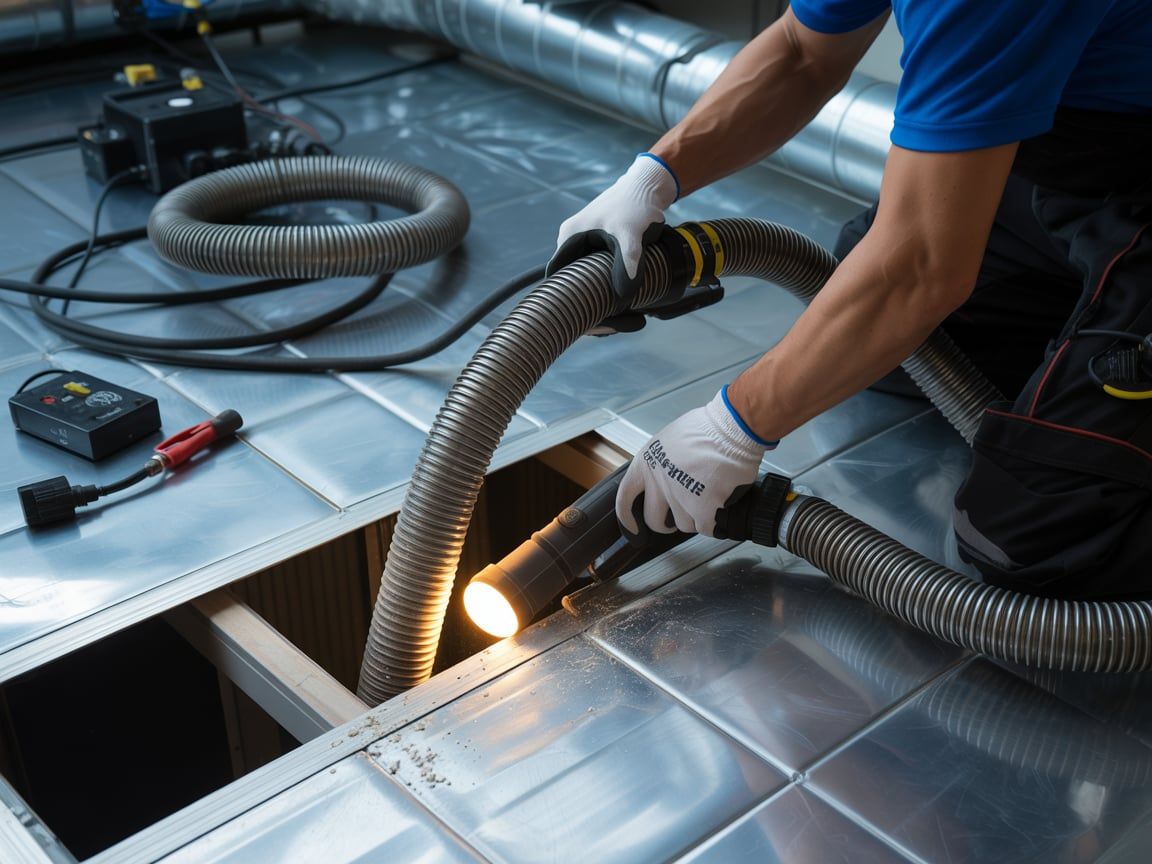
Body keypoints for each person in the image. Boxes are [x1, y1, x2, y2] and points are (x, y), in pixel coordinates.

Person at [548, 2, 1152, 599]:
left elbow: (917, 269)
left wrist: (732, 427)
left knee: (1041, 541)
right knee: (886, 342)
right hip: (1075, 162)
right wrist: (652, 179)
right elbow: (801, 53)